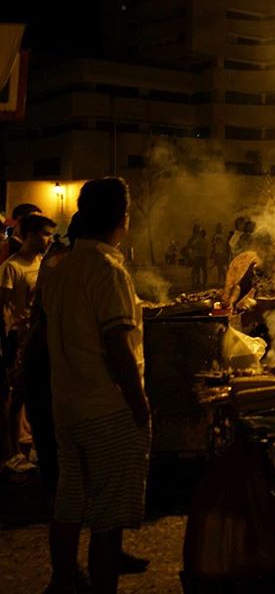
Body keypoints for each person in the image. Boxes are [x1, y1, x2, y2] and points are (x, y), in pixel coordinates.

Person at [43, 177, 151, 594]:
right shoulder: (108, 269)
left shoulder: (60, 266)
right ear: (121, 218)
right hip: (108, 409)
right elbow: (117, 344)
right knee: (107, 518)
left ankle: (63, 580)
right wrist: (139, 403)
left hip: (67, 407)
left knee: (68, 503)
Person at [0, 212, 56, 473]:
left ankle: (31, 444)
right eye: (45, 234)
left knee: (39, 393)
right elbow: (4, 307)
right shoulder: (11, 268)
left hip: (40, 336)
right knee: (18, 395)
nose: (49, 239)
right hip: (19, 338)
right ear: (32, 235)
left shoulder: (45, 264)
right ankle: (12, 452)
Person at [230, 228, 275, 358]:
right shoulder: (258, 266)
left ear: (274, 245)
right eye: (257, 251)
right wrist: (231, 302)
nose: (259, 255)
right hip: (262, 323)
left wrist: (259, 304)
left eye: (262, 250)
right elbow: (241, 286)